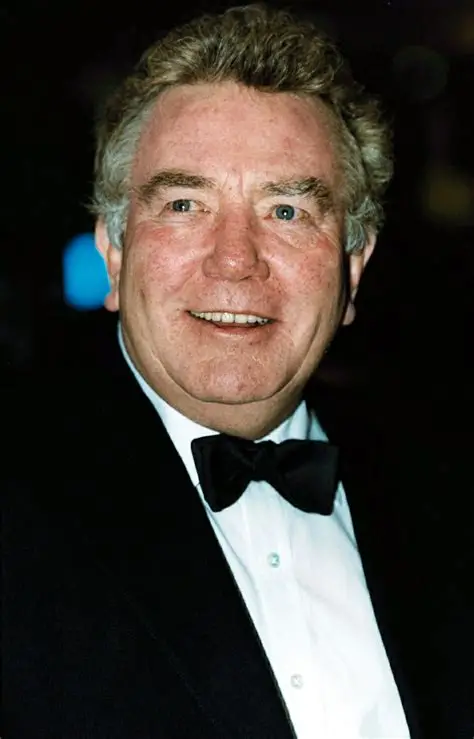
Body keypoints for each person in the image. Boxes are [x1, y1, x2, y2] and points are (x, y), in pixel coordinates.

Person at [3, 5, 473, 738]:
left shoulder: (448, 494)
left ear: (353, 266)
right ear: (114, 252)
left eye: (286, 211)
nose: (234, 260)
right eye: (185, 204)